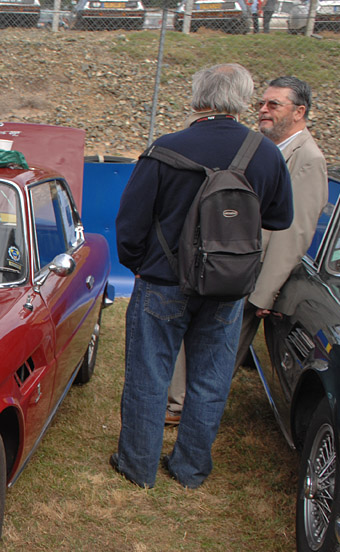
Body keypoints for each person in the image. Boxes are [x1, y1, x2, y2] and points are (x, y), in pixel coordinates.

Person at [111, 63, 293, 489]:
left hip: (163, 281)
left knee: (148, 375)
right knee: (210, 380)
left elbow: (131, 222)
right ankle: (190, 469)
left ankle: (138, 467)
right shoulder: (265, 153)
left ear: (198, 98)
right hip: (227, 286)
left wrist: (139, 264)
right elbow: (279, 218)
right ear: (243, 100)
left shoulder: (166, 148)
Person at [166, 76, 327, 424]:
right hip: (224, 265)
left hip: (249, 278)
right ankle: (180, 403)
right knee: (200, 341)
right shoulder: (265, 148)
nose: (263, 111)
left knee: (218, 353)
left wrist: (263, 293)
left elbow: (294, 232)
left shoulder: (309, 158)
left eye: (274, 105)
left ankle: (185, 411)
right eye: (261, 104)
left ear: (299, 112)